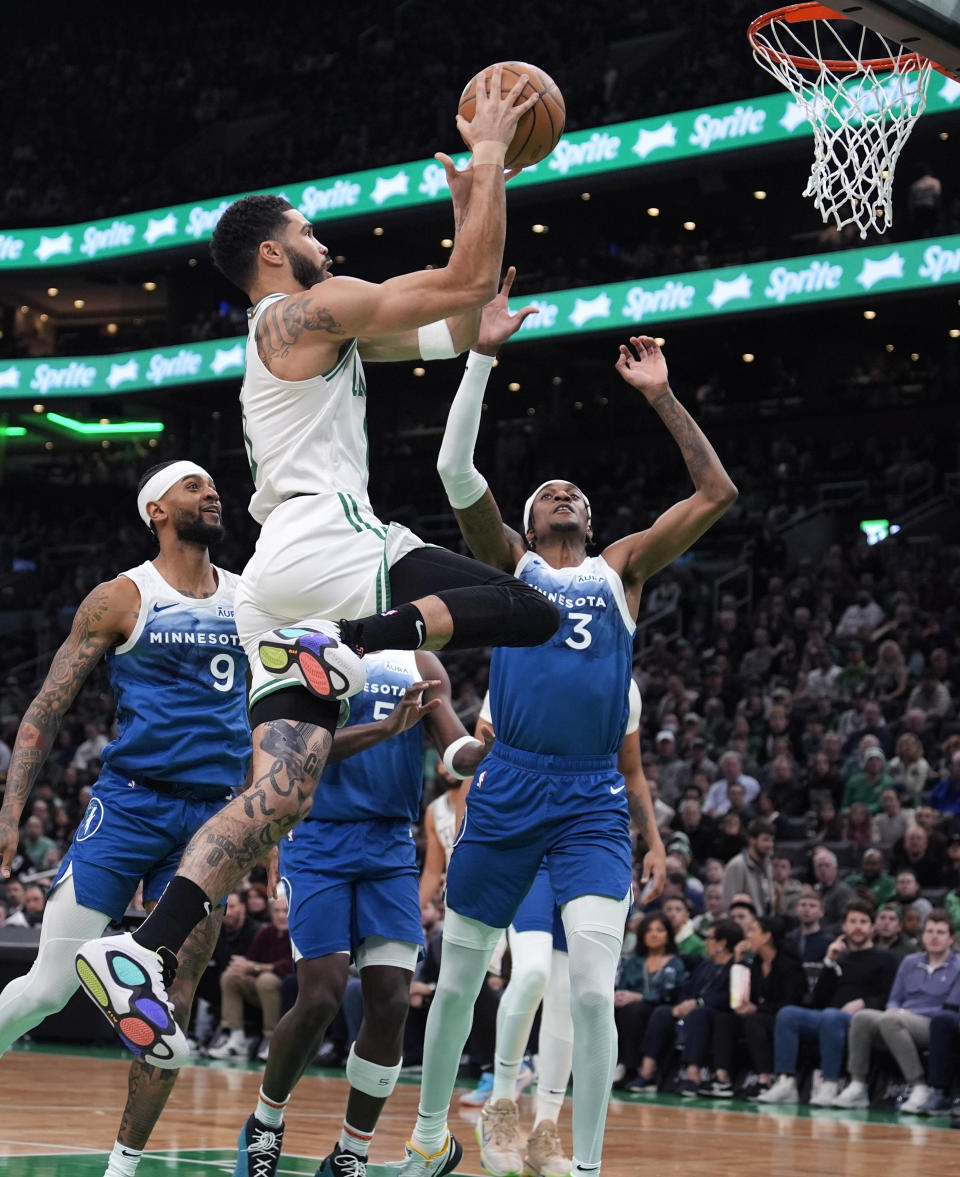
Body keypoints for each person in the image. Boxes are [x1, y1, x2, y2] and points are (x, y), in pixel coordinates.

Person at [74, 76, 563, 1070]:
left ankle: (140, 945)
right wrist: (490, 164)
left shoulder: (307, 331)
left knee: (280, 797)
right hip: (337, 553)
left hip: (277, 578)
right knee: (528, 605)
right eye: (309, 229)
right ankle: (372, 643)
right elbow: (464, 285)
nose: (325, 242)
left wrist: (474, 217)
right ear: (271, 250)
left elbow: (455, 318)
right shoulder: (302, 309)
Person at [390, 313, 735, 1177]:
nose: (565, 494)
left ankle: (580, 1166)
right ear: (534, 516)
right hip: (507, 788)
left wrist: (662, 400)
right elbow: (454, 469)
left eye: (576, 491)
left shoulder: (621, 569)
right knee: (464, 980)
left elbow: (716, 494)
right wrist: (481, 358)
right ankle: (431, 1137)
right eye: (550, 491)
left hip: (588, 801)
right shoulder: (513, 567)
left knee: (587, 989)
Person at [0, 462, 250, 1177]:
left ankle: (123, 1165)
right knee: (49, 988)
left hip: (211, 821)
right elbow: (46, 705)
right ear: (157, 509)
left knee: (169, 1004)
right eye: (193, 486)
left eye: (214, 484)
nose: (212, 492)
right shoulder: (122, 596)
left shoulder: (249, 597)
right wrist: (11, 811)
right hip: (131, 801)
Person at [232, 648, 485, 1177]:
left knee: (391, 1001)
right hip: (317, 837)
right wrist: (389, 728)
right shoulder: (306, 645)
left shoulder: (419, 659)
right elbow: (298, 753)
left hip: (390, 842)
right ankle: (265, 1123)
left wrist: (490, 748)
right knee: (321, 993)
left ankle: (351, 1151)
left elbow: (455, 752)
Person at [471, 678, 652, 1177]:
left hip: (589, 845)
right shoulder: (523, 659)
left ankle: (545, 1130)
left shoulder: (622, 684)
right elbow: (483, 747)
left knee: (572, 995)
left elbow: (632, 771)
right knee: (529, 974)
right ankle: (500, 1108)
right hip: (527, 842)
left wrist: (653, 841)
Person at [758, 899, 899, 1106]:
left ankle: (829, 1084)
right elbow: (818, 1000)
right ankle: (786, 1083)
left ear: (872, 927)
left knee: (830, 1016)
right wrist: (829, 962)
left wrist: (863, 1003)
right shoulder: (838, 957)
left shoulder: (885, 958)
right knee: (787, 1014)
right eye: (852, 921)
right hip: (828, 1017)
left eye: (863, 921)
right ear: (844, 927)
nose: (857, 927)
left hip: (861, 1021)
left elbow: (889, 997)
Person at [835, 909, 960, 1112]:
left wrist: (904, 1014)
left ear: (951, 938)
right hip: (901, 1018)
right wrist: (895, 1010)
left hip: (930, 1022)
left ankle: (919, 1086)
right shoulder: (910, 962)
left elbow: (950, 1008)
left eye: (940, 932)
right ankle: (858, 1084)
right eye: (929, 931)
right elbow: (894, 999)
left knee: (890, 1021)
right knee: (862, 1018)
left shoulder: (958, 966)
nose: (933, 937)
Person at [627, 919, 744, 1096]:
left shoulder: (736, 967)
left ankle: (692, 1074)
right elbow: (687, 988)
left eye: (710, 938)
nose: (706, 943)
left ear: (722, 943)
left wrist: (698, 1003)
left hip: (718, 1013)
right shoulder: (706, 965)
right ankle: (647, 1072)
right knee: (662, 1012)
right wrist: (682, 1004)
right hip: (692, 1008)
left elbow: (728, 996)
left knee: (698, 1014)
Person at [709, 914, 806, 1099]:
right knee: (724, 1019)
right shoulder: (756, 963)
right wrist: (738, 961)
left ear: (766, 936)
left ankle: (765, 1079)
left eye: (753, 931)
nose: (748, 936)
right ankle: (722, 1079)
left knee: (754, 1021)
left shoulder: (789, 965)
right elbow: (739, 1000)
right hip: (760, 1016)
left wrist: (757, 1009)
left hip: (784, 1020)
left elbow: (791, 1004)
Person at [207, 892, 293, 1063]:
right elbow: (252, 957)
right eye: (277, 911)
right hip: (261, 989)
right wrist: (242, 965)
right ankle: (235, 1037)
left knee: (266, 980)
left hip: (288, 990)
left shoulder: (299, 934)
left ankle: (272, 1039)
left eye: (285, 911)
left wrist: (255, 967)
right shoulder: (266, 932)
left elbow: (290, 966)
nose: (281, 916)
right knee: (230, 976)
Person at [614, 914, 688, 1091]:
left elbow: (670, 995)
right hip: (632, 1008)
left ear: (668, 935)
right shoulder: (634, 961)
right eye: (649, 931)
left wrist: (640, 997)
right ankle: (620, 1066)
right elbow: (623, 987)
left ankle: (634, 1068)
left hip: (660, 1009)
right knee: (620, 1010)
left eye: (659, 930)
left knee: (635, 1010)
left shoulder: (675, 963)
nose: (654, 935)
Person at [721, 820, 774, 916]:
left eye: (771, 840)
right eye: (765, 840)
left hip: (764, 923)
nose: (769, 845)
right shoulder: (736, 865)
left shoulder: (768, 863)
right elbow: (729, 902)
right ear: (752, 840)